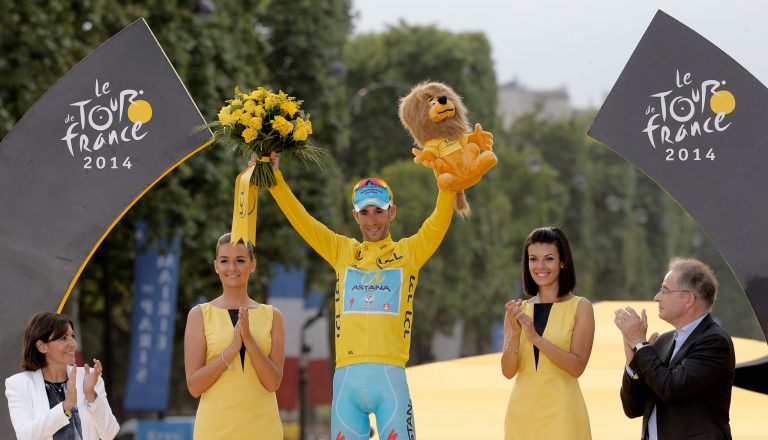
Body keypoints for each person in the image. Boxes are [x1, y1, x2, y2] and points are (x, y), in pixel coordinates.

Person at [265, 152, 455, 440]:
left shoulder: (408, 253)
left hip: (390, 379)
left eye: (378, 211)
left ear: (392, 211)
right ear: (355, 215)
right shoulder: (343, 252)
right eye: (364, 212)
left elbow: (438, 221)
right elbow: (303, 222)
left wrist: (447, 185)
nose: (372, 220)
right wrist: (274, 179)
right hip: (346, 381)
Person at [615, 257, 735, 440]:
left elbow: (670, 388)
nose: (657, 298)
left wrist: (640, 344)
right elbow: (633, 408)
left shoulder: (715, 342)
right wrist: (633, 362)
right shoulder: (663, 342)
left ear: (688, 299)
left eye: (665, 290)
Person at [184, 233, 285, 439]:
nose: (232, 268)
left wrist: (248, 340)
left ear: (252, 265)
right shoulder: (200, 315)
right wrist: (230, 350)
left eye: (240, 260)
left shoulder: (273, 316)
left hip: (263, 428)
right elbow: (194, 386)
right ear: (215, 266)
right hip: (214, 429)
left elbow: (273, 383)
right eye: (224, 261)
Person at [501, 227, 594, 440]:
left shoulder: (581, 307)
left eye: (549, 259)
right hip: (521, 416)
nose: (540, 266)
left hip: (564, 416)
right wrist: (515, 334)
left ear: (562, 262)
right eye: (533, 259)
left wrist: (535, 338)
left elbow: (577, 367)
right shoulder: (516, 310)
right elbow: (508, 371)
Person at [5, 312, 119, 440]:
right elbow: (25, 436)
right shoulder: (18, 384)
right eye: (63, 338)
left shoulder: (89, 377)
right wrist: (65, 407)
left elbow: (110, 433)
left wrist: (91, 395)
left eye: (72, 336)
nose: (73, 344)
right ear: (42, 346)